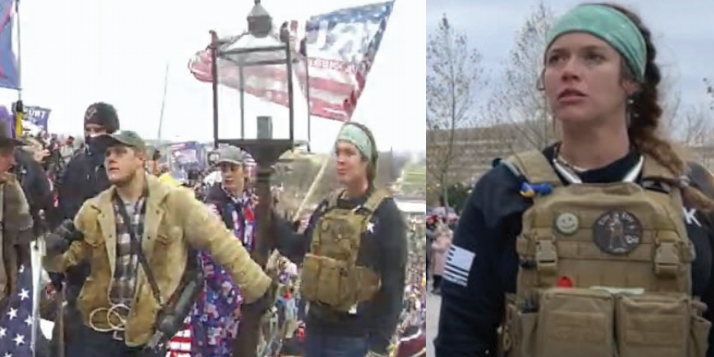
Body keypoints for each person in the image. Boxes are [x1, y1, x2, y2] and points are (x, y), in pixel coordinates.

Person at [435, 4, 714, 357]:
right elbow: (460, 335)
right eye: (556, 59)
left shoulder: (691, 190)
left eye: (593, 58)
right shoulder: (502, 189)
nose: (569, 71)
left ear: (630, 80)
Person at [43, 130, 276, 357]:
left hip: (145, 333)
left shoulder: (175, 202)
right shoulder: (92, 209)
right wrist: (53, 249)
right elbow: (65, 262)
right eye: (108, 154)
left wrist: (257, 287)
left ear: (140, 158)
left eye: (120, 152)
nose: (111, 158)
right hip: (96, 332)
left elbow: (222, 243)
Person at [275, 122, 408, 357]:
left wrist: (379, 345)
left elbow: (394, 283)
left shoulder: (386, 214)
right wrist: (270, 219)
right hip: (316, 331)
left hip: (356, 337)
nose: (341, 159)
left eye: (350, 153)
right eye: (338, 152)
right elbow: (301, 250)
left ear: (365, 161)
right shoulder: (328, 204)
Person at [51, 102, 120, 355]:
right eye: (89, 130)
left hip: (113, 271)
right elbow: (62, 217)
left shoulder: (119, 165)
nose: (94, 137)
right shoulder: (75, 166)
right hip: (82, 268)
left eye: (100, 130)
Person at [190, 145, 256, 357]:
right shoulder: (212, 208)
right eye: (223, 169)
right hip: (213, 303)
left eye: (232, 168)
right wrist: (236, 297)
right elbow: (210, 261)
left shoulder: (249, 207)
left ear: (244, 171)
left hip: (241, 303)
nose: (227, 174)